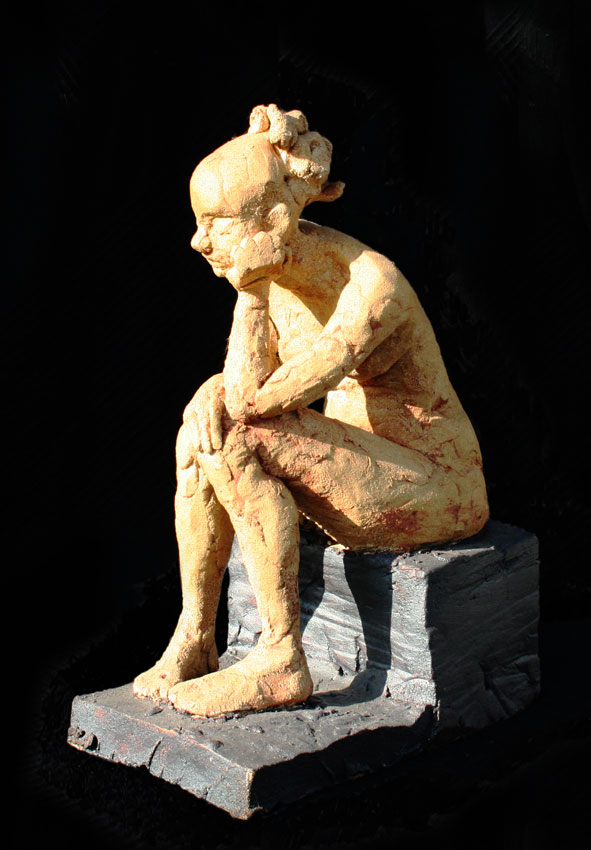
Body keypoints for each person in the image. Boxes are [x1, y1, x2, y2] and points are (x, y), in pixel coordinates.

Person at [133, 104, 489, 716]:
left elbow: (252, 402)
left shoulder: (371, 286)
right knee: (199, 435)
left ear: (274, 219)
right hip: (358, 470)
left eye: (216, 222)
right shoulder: (276, 267)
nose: (198, 240)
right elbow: (246, 388)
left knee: (233, 433)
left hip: (435, 484)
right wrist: (212, 389)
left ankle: (280, 657)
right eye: (198, 222)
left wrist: (247, 303)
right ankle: (195, 635)